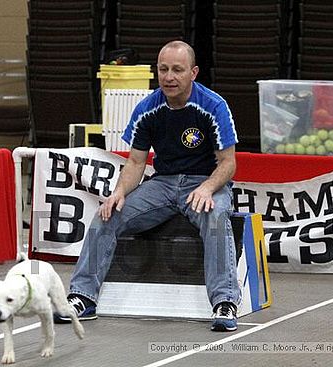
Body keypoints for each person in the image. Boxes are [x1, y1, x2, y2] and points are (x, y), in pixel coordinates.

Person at [55, 40, 241, 332]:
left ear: (193, 72)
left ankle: (225, 301)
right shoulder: (147, 109)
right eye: (163, 69)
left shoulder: (213, 106)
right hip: (164, 184)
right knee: (108, 214)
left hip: (204, 182)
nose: (169, 77)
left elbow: (228, 163)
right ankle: (83, 296)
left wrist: (207, 189)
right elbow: (135, 164)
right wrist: (117, 193)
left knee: (217, 219)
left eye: (177, 70)